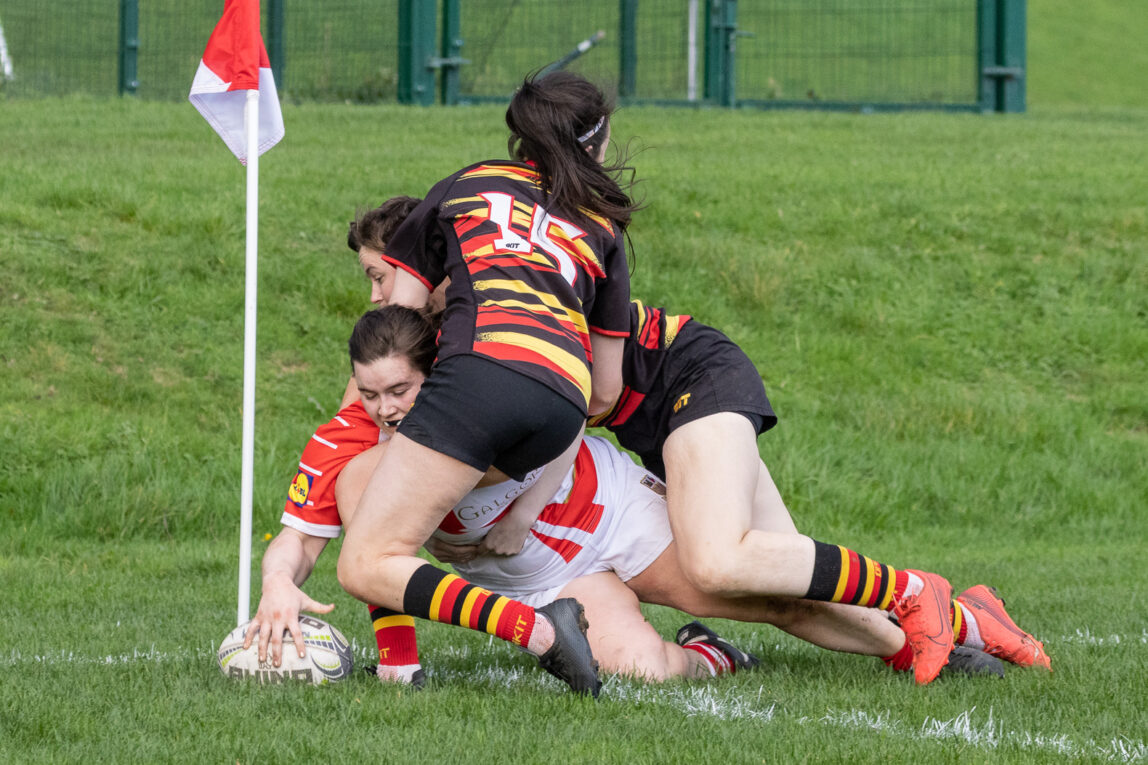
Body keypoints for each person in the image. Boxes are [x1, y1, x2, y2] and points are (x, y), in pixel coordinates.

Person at [254, 306, 1027, 687]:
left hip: (612, 512)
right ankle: (711, 655)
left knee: (767, 590)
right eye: (370, 392)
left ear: (438, 375)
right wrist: (278, 583)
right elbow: (333, 543)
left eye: (402, 389)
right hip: (548, 581)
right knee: (640, 667)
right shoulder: (349, 444)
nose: (387, 407)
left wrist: (521, 509)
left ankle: (956, 626)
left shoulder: (480, 390)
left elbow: (566, 408)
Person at [334, 71, 641, 697]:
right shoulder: (602, 226)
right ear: (596, 142)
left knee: (367, 559)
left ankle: (544, 632)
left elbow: (406, 319)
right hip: (560, 409)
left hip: (479, 379)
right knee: (388, 512)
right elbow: (606, 392)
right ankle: (402, 669)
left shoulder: (466, 183)